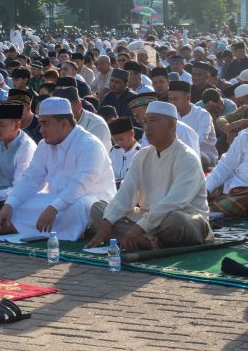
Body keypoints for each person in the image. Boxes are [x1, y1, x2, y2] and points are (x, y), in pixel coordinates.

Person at [86, 101, 211, 251]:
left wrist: (139, 228)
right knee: (98, 209)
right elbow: (126, 193)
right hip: (146, 217)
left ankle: (133, 237)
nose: (147, 128)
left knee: (176, 220)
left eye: (153, 121)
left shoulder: (187, 158)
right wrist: (106, 223)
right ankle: (145, 240)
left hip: (184, 218)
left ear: (172, 124)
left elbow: (174, 203)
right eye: (145, 122)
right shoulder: (143, 155)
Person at [0, 97, 116, 240]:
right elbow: (30, 178)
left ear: (64, 124)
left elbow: (80, 185)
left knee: (78, 206)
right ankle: (15, 224)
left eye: (45, 124)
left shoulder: (90, 145)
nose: (41, 130)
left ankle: (17, 226)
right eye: (40, 123)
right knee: (22, 203)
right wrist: (9, 205)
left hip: (94, 201)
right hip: (56, 198)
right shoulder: (45, 145)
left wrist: (53, 209)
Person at [168, 81, 218, 171]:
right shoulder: (170, 115)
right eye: (170, 100)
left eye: (175, 99)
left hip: (204, 156)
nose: (172, 103)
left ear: (188, 97)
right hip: (176, 154)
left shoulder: (202, 115)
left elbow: (199, 141)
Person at [107, 117, 140, 188]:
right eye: (115, 140)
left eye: (121, 139)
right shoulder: (113, 151)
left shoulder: (141, 152)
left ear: (132, 134)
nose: (118, 143)